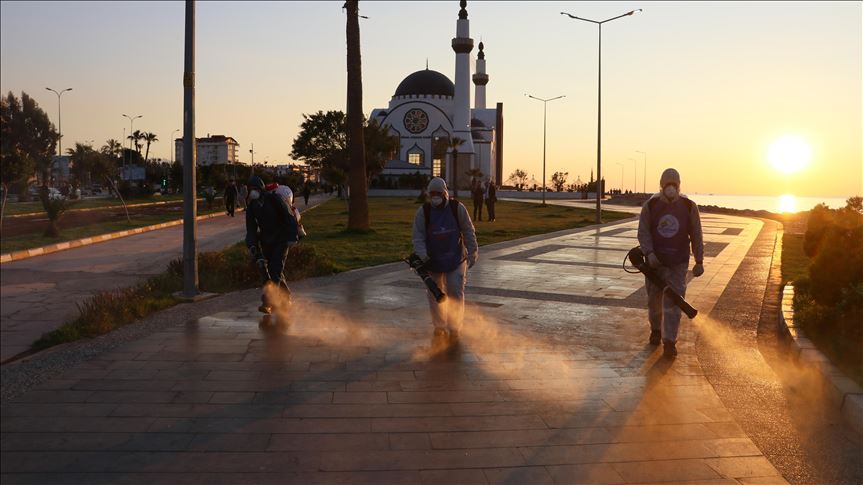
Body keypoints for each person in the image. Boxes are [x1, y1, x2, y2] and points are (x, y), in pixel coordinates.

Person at [637, 168, 705, 358]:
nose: (670, 187)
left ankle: (669, 341)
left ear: (679, 185)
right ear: (661, 184)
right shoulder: (650, 206)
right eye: (667, 183)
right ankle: (656, 330)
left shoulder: (689, 206)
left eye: (674, 184)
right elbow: (643, 232)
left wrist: (699, 260)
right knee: (654, 302)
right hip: (654, 264)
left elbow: (697, 234)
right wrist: (649, 252)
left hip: (678, 263)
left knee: (674, 303)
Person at [412, 177, 479, 345]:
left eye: (438, 193)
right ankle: (439, 326)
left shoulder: (457, 209)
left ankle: (454, 327)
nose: (435, 196)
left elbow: (468, 231)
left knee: (455, 291)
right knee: (435, 294)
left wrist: (473, 252)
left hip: (456, 259)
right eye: (432, 194)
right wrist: (422, 255)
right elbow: (418, 237)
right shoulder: (424, 212)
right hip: (432, 261)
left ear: (445, 193)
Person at [245, 176, 299, 316]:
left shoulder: (274, 199)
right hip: (266, 242)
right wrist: (252, 245)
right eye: (250, 190)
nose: (252, 192)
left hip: (281, 240)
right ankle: (286, 298)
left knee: (275, 271)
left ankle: (267, 302)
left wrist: (292, 237)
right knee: (272, 272)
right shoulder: (252, 207)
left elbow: (289, 217)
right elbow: (251, 228)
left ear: (260, 189)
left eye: (254, 189)